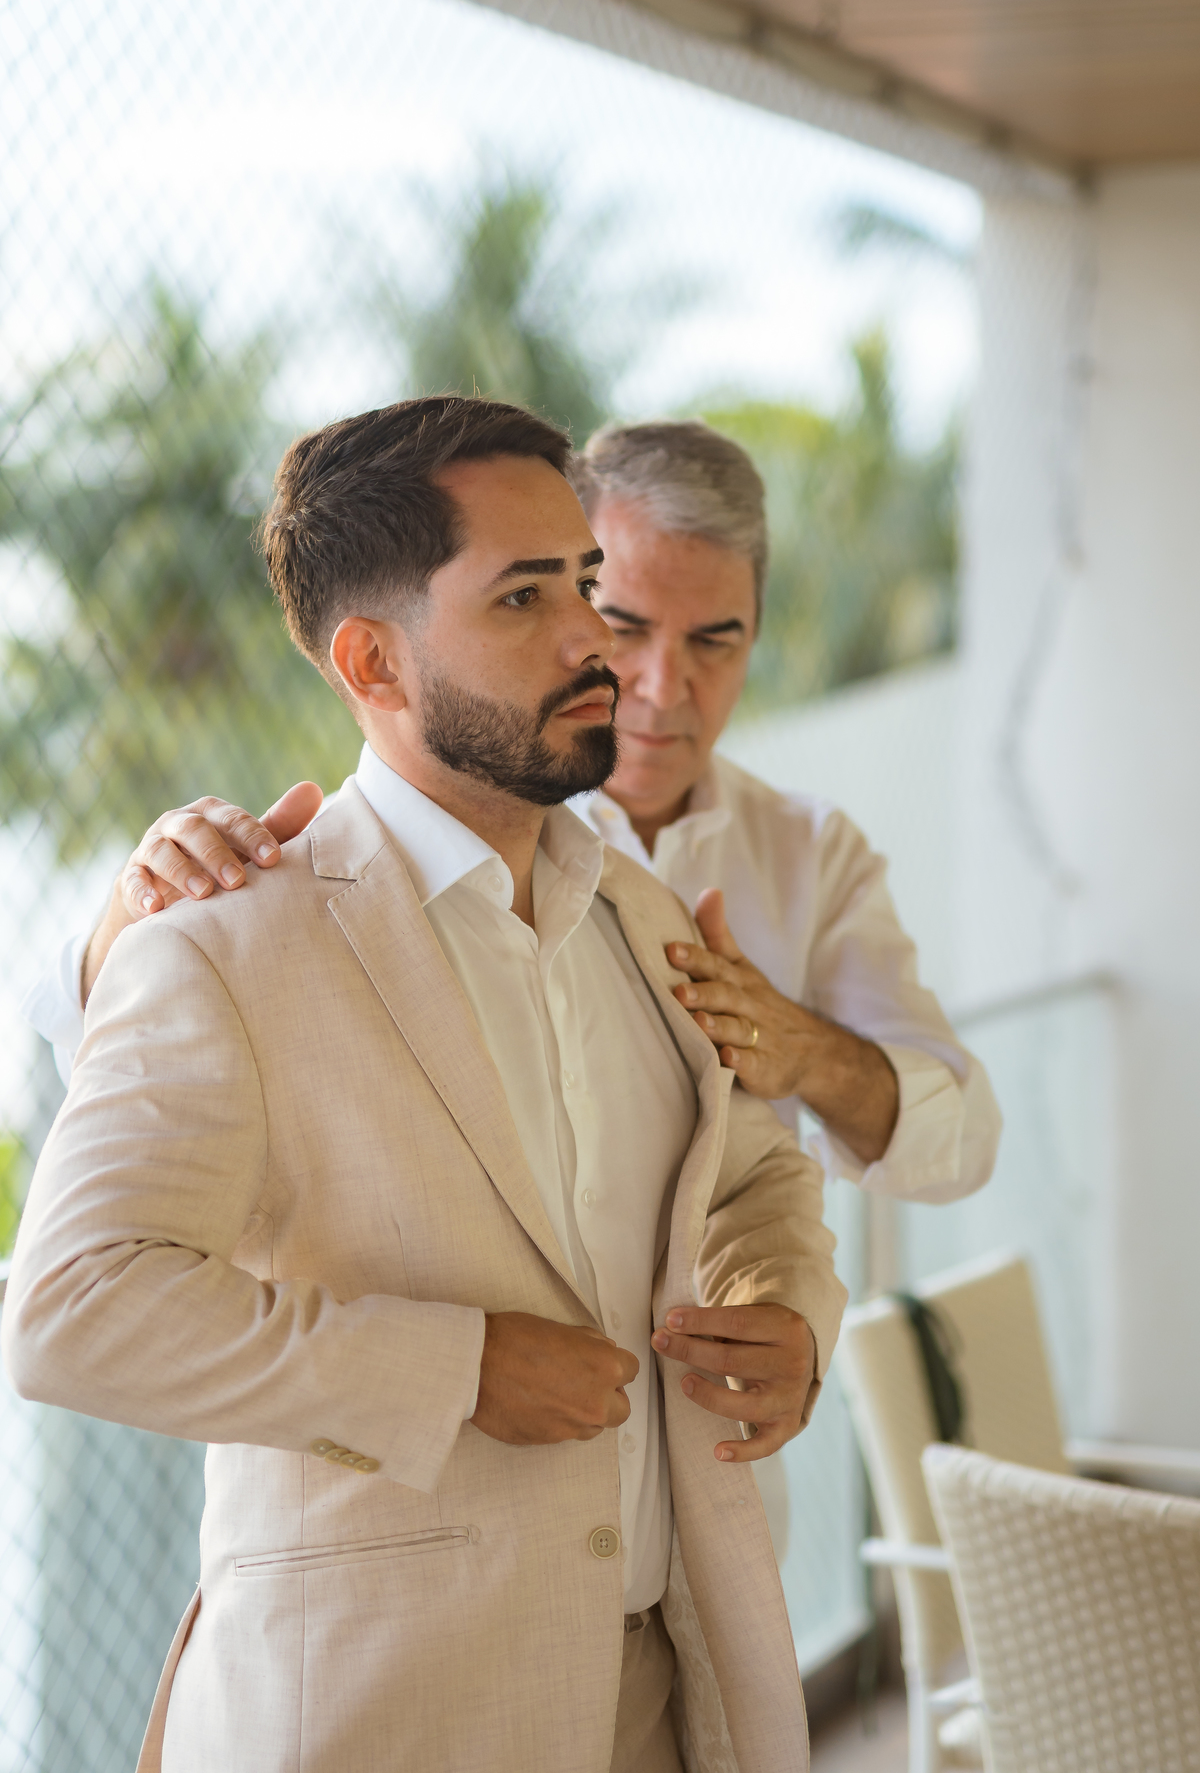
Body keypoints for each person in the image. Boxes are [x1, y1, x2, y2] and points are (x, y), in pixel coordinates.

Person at [2, 396, 846, 1773]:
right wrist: (456, 1370)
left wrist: (787, 1308)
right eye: (524, 596)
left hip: (666, 1693)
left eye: (584, 580)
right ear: (373, 661)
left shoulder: (637, 913)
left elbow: (753, 1168)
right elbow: (70, 1313)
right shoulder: (221, 944)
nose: (593, 636)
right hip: (376, 1717)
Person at [27, 421, 999, 1206]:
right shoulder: (390, 848)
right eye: (619, 618)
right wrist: (129, 923)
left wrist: (802, 1052)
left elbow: (959, 1146)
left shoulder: (811, 852)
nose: (660, 684)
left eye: (715, 640)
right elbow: (114, 1092)